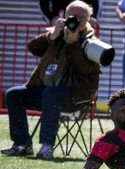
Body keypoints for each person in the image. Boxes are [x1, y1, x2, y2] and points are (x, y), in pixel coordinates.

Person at [1, 0, 101, 159]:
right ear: (64, 16)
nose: (75, 19)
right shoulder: (57, 34)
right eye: (71, 16)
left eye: (80, 17)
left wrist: (74, 42)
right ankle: (21, 144)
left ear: (88, 19)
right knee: (13, 94)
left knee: (51, 94)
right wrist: (52, 35)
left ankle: (47, 146)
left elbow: (85, 69)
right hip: (49, 92)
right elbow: (32, 48)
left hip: (76, 97)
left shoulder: (93, 44)